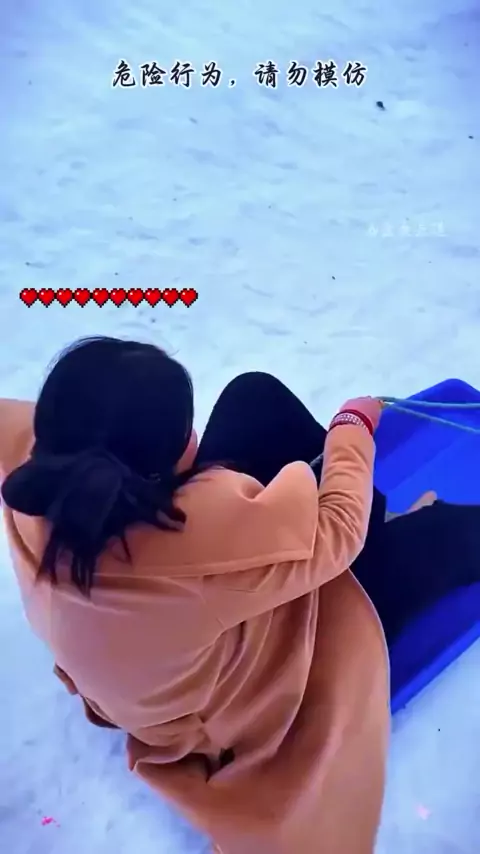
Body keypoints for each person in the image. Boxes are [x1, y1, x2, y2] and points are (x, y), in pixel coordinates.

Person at [0, 337, 478, 854]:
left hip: (158, 657)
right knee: (452, 537)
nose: (195, 436)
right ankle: (397, 541)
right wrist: (352, 427)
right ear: (157, 466)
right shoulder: (192, 548)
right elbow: (339, 531)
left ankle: (380, 526)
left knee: (253, 398)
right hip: (251, 688)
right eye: (186, 431)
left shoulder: (35, 469)